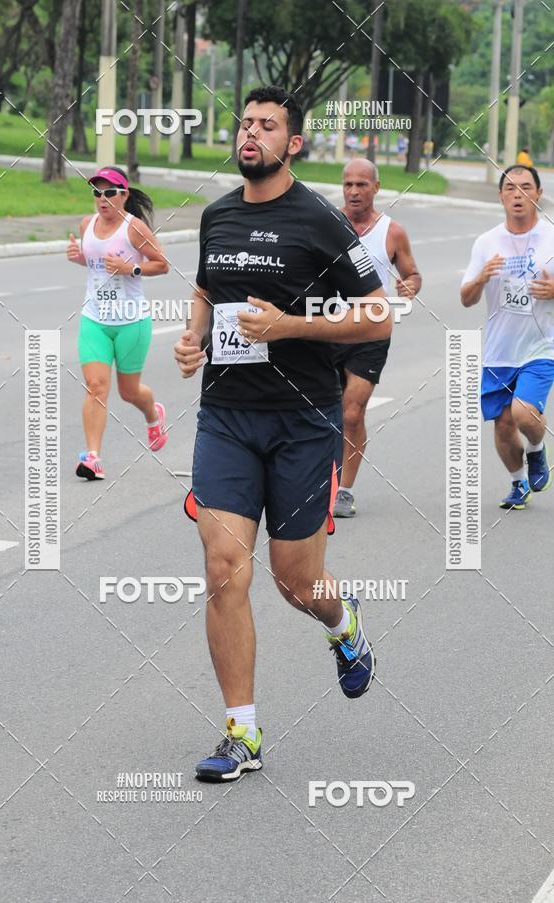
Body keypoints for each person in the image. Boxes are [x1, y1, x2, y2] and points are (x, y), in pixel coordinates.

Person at [173, 85, 391, 782]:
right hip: (227, 416)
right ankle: (242, 732)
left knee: (295, 581)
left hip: (302, 421)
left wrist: (290, 326)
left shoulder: (319, 220)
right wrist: (193, 336)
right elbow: (206, 289)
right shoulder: (218, 215)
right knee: (222, 568)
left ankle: (342, 620)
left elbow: (379, 314)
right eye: (246, 123)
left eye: (267, 125)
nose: (251, 133)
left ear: (292, 143)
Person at [66, 166, 170, 480]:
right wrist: (78, 256)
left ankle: (153, 414)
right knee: (96, 386)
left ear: (123, 195)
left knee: (129, 391)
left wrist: (131, 269)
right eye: (97, 192)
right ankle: (93, 457)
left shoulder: (134, 228)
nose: (102, 198)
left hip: (131, 322)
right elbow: (94, 263)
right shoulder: (87, 224)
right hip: (94, 319)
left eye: (109, 192)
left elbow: (162, 264)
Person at [461, 164, 554, 509]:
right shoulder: (486, 242)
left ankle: (536, 449)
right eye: (510, 188)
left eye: (526, 187)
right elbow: (466, 298)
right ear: (501, 196)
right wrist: (481, 278)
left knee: (523, 414)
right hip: (499, 352)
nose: (518, 194)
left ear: (539, 194)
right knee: (502, 426)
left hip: (541, 347)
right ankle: (518, 483)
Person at [333, 158, 421, 517]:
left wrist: (409, 285)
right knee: (322, 413)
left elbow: (412, 273)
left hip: (370, 332)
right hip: (325, 329)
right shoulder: (328, 224)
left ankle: (344, 491)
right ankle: (318, 480)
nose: (354, 192)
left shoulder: (392, 232)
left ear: (376, 187)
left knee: (352, 412)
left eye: (362, 185)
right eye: (348, 184)